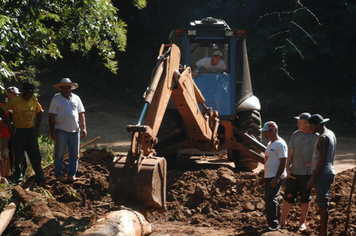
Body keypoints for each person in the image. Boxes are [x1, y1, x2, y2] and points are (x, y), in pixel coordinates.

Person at [0, 82, 46, 187]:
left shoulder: (34, 100)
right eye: (26, 92)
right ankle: (18, 179)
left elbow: (39, 112)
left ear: (32, 92)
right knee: (18, 156)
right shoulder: (16, 101)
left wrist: (37, 127)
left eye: (30, 92)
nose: (28, 95)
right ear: (23, 92)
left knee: (35, 155)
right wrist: (9, 124)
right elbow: (2, 110)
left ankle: (40, 179)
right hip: (19, 131)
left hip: (30, 131)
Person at [280, 112, 318, 231]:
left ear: (307, 123)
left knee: (305, 198)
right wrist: (287, 168)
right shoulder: (295, 135)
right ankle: (282, 220)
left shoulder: (316, 137)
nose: (297, 123)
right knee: (289, 195)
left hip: (307, 174)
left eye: (299, 122)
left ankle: (302, 222)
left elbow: (321, 155)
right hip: (294, 172)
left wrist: (314, 164)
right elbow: (290, 153)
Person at [49, 78, 87, 182]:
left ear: (71, 88)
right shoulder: (56, 99)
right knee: (59, 154)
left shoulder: (76, 98)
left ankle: (71, 174)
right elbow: (51, 116)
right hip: (61, 130)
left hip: (75, 131)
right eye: (64, 88)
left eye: (68, 87)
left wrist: (84, 128)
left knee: (74, 154)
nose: (66, 90)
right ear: (61, 88)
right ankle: (58, 174)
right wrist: (52, 131)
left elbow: (81, 113)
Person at [306, 114, 336, 236]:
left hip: (322, 174)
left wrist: (312, 178)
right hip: (328, 172)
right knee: (323, 202)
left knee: (322, 204)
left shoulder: (323, 138)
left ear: (318, 125)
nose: (310, 128)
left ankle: (324, 233)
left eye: (311, 126)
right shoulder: (331, 133)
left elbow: (322, 160)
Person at [259, 121, 287, 231]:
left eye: (266, 132)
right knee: (270, 199)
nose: (265, 134)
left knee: (271, 199)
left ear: (273, 130)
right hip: (269, 176)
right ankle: (275, 221)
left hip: (276, 176)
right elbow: (269, 161)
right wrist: (264, 177)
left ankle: (274, 224)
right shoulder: (270, 144)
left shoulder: (280, 144)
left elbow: (283, 162)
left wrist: (277, 178)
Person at [0, 86, 21, 179]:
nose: (16, 96)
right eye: (15, 94)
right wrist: (8, 124)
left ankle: (10, 175)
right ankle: (3, 176)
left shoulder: (19, 105)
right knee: (5, 155)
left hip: (16, 133)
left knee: (14, 154)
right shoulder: (2, 105)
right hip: (5, 133)